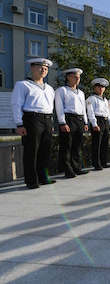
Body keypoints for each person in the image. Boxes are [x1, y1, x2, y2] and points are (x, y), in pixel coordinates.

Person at [11, 58, 57, 189]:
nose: (43, 70)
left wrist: (51, 122)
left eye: (46, 68)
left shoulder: (49, 88)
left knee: (45, 150)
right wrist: (19, 124)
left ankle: (43, 177)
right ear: (32, 68)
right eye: (40, 67)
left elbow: (50, 106)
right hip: (32, 118)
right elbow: (16, 104)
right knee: (32, 150)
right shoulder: (23, 85)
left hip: (47, 119)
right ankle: (31, 180)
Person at [55, 68, 89, 178]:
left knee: (76, 145)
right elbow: (59, 107)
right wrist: (62, 122)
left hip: (79, 119)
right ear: (68, 77)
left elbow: (83, 108)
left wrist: (85, 122)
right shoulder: (62, 90)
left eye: (79, 77)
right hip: (68, 118)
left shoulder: (81, 93)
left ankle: (77, 167)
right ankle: (67, 169)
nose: (77, 79)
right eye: (75, 76)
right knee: (67, 145)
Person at [86, 78, 110, 170]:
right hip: (98, 120)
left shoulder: (105, 100)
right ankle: (96, 163)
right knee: (97, 143)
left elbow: (108, 112)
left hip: (105, 121)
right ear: (95, 88)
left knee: (104, 143)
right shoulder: (91, 99)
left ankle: (103, 162)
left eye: (102, 87)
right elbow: (90, 112)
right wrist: (94, 124)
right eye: (99, 87)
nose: (101, 89)